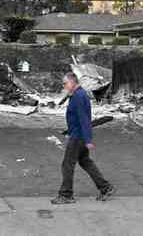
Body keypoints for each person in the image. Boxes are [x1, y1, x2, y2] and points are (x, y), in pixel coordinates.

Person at [51, 72, 115, 204]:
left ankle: (66, 194)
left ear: (73, 82)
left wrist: (87, 140)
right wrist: (69, 131)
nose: (64, 86)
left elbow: (84, 119)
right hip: (77, 134)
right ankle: (105, 187)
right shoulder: (77, 95)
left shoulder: (79, 96)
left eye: (65, 83)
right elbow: (76, 118)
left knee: (67, 165)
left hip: (78, 137)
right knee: (85, 161)